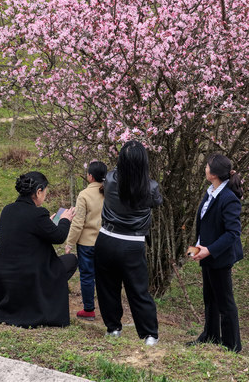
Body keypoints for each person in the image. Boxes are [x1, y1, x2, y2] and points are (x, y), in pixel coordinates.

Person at [0, 171, 77, 327]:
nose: (45, 195)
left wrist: (47, 224)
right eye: (45, 192)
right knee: (71, 260)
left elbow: (26, 232)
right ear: (39, 191)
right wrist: (65, 220)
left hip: (0, 275)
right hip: (26, 278)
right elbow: (59, 237)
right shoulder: (38, 214)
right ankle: (40, 299)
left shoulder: (7, 210)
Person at [94, 140, 163, 345]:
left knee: (107, 287)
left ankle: (113, 329)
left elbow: (117, 174)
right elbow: (157, 202)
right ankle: (149, 335)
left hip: (106, 239)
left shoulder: (110, 179)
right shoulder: (151, 187)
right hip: (132, 243)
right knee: (138, 290)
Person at [186, 154, 244, 353]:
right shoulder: (211, 192)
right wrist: (199, 247)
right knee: (210, 297)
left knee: (225, 301)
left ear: (214, 174)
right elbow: (206, 223)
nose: (205, 169)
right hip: (207, 254)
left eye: (207, 166)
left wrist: (209, 250)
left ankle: (231, 345)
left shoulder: (228, 198)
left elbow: (233, 233)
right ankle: (210, 336)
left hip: (220, 256)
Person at [65, 160, 107, 321]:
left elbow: (78, 223)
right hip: (106, 241)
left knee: (87, 276)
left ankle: (89, 309)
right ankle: (108, 309)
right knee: (105, 277)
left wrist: (70, 243)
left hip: (87, 243)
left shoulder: (84, 195)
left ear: (90, 176)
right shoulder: (110, 193)